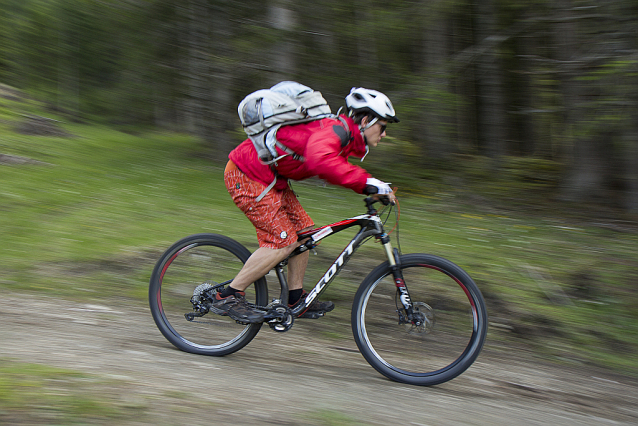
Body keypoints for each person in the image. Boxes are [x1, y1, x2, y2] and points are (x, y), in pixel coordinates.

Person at [214, 87, 399, 323]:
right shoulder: (336, 130)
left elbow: (333, 167)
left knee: (305, 233)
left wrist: (371, 187)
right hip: (246, 175)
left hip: (270, 179)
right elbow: (320, 159)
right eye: (382, 127)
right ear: (365, 121)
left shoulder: (342, 136)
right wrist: (367, 183)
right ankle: (228, 295)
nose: (383, 134)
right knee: (282, 241)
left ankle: (295, 299)